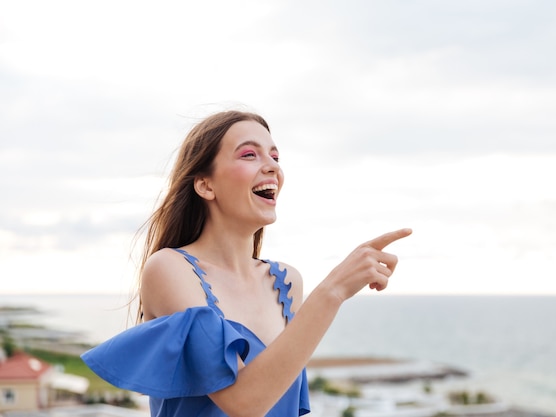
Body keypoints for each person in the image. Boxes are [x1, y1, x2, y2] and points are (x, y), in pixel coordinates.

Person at [81, 110, 412, 417]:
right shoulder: (169, 268)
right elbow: (243, 401)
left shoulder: (286, 282)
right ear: (205, 185)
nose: (272, 166)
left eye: (275, 156)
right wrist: (333, 290)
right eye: (249, 154)